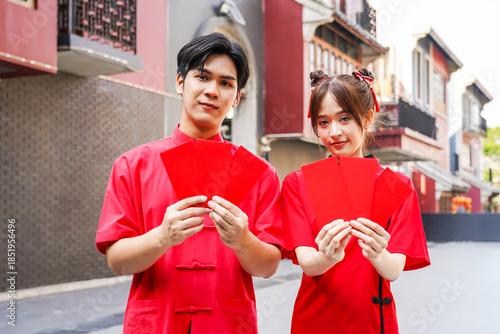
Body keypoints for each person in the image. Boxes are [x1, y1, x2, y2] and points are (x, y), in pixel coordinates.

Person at [96, 33, 284, 334]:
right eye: (203, 77)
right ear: (181, 82)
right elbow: (117, 261)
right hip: (156, 324)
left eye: (226, 83)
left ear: (236, 97)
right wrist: (162, 236)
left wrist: (242, 240)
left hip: (228, 325)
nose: (212, 91)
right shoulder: (134, 165)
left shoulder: (260, 173)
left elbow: (268, 266)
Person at [282, 69, 430, 334]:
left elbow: (393, 269)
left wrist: (377, 253)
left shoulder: (397, 185)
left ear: (368, 118)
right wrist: (327, 256)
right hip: (316, 319)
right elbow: (307, 262)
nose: (334, 132)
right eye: (323, 122)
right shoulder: (297, 183)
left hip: (372, 319)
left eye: (344, 118)